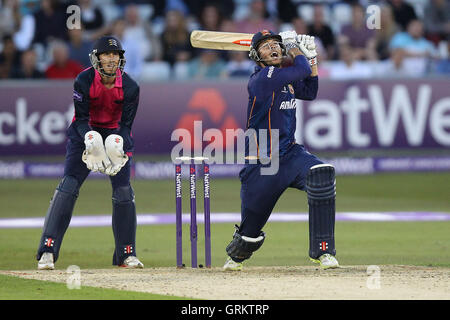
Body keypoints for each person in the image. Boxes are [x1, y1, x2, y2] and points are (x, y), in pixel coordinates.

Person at [223, 30, 339, 271]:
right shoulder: (264, 77)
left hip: (290, 154)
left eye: (276, 44)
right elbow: (302, 70)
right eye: (266, 46)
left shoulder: (284, 78)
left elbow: (310, 90)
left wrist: (312, 58)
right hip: (263, 162)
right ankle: (236, 254)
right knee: (248, 236)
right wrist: (294, 47)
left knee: (321, 174)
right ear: (256, 56)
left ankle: (324, 250)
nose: (274, 48)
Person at [36, 36, 143, 270]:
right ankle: (47, 250)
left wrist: (118, 142)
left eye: (115, 55)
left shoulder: (131, 87)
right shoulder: (83, 80)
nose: (112, 59)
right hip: (86, 132)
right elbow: (81, 119)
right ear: (97, 58)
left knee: (123, 191)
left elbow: (126, 127)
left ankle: (126, 254)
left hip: (115, 135)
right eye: (107, 54)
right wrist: (89, 138)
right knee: (69, 186)